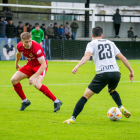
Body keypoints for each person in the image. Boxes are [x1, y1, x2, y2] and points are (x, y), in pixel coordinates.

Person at [63, 26, 134, 124]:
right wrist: (131, 71)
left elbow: (87, 57)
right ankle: (121, 107)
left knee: (85, 96)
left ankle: (72, 118)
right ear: (102, 35)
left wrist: (77, 65)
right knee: (111, 90)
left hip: (103, 73)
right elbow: (123, 58)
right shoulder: (111, 43)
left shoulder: (91, 43)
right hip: (116, 73)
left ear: (92, 35)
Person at [11, 32, 62, 111]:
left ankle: (56, 101)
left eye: (30, 41)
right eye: (26, 42)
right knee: (14, 80)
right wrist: (16, 63)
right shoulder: (19, 46)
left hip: (40, 66)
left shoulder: (36, 48)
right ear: (22, 42)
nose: (28, 44)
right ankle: (25, 101)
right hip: (30, 64)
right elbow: (18, 54)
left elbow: (43, 65)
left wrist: (33, 76)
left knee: (36, 84)